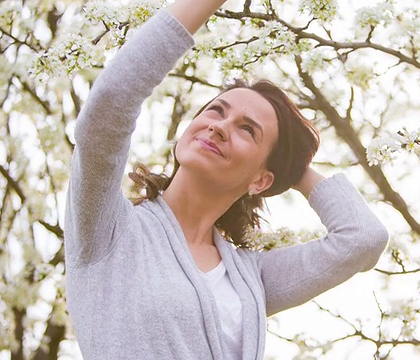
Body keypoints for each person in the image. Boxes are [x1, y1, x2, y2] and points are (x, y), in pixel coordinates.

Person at [64, 0, 389, 358]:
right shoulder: (108, 232)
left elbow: (363, 239)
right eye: (216, 110)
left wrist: (294, 172)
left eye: (246, 130)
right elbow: (108, 107)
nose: (219, 126)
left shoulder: (251, 278)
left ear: (261, 182)